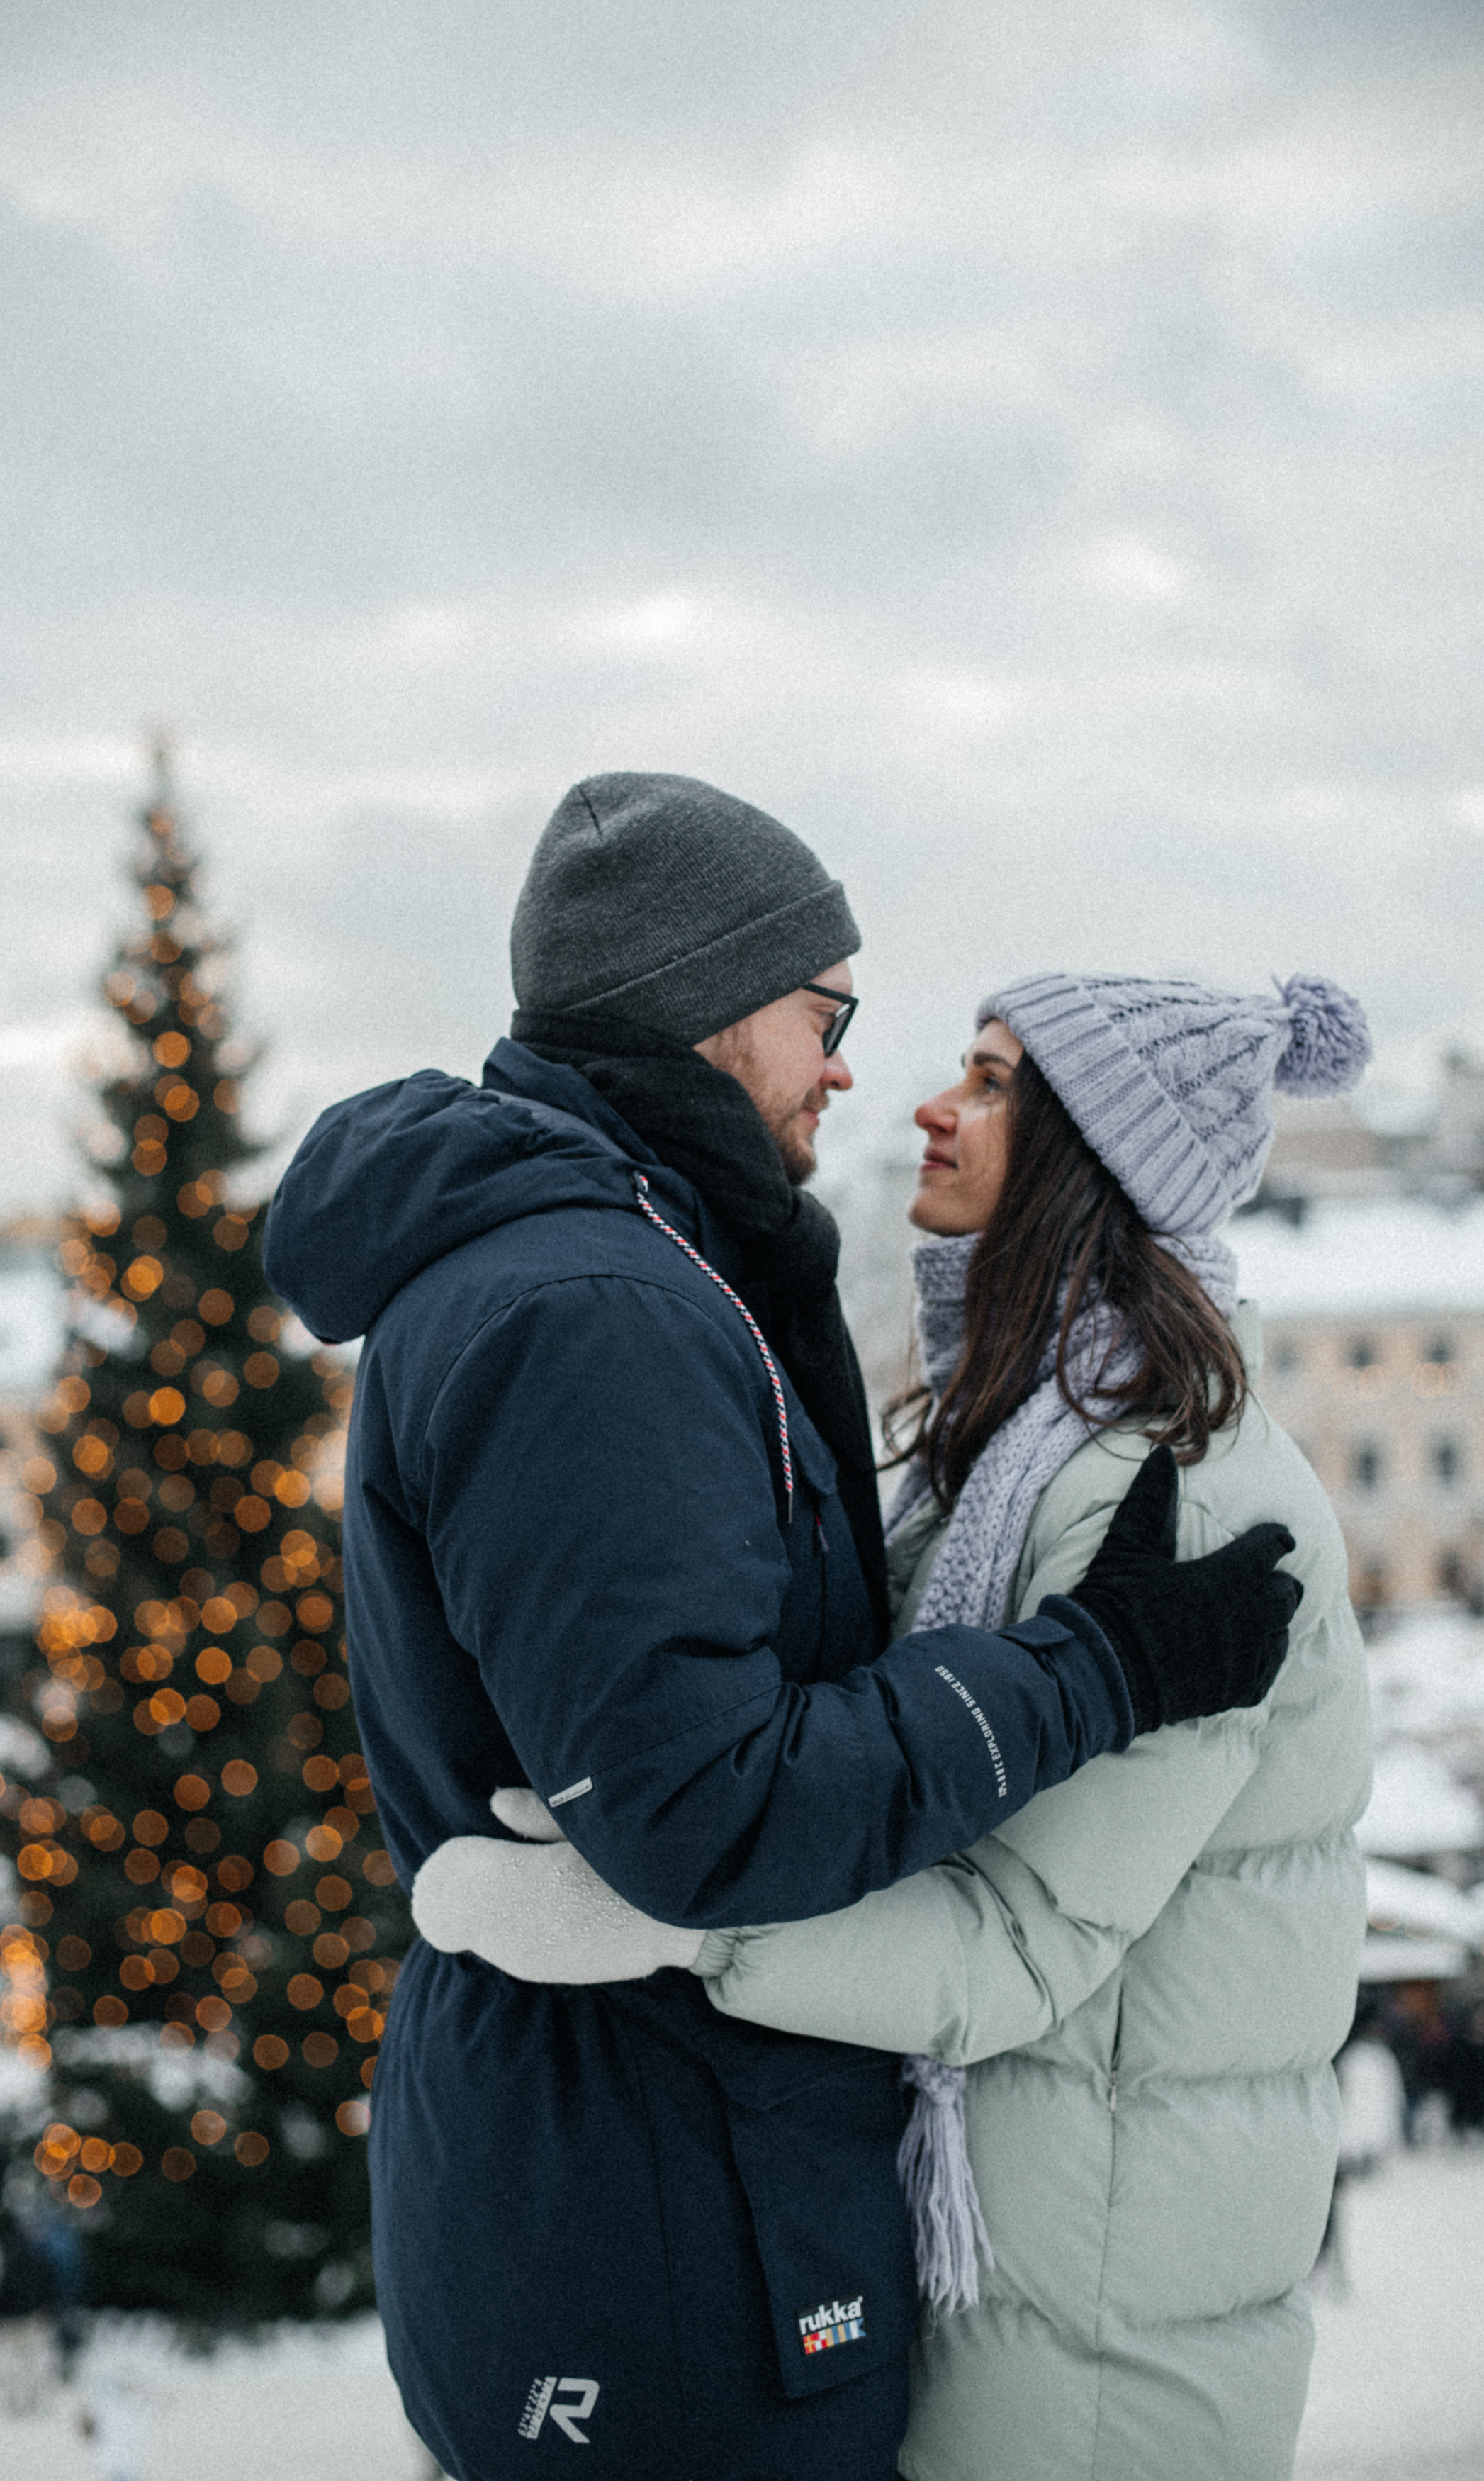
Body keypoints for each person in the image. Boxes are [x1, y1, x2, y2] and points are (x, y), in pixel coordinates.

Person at [264, 783, 1301, 2481]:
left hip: (640, 2164)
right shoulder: (596, 1308)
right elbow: (704, 1804)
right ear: (711, 1001)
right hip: (667, 2211)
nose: (844, 1069)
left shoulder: (611, 1269)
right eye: (830, 1015)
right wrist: (1100, 1668)